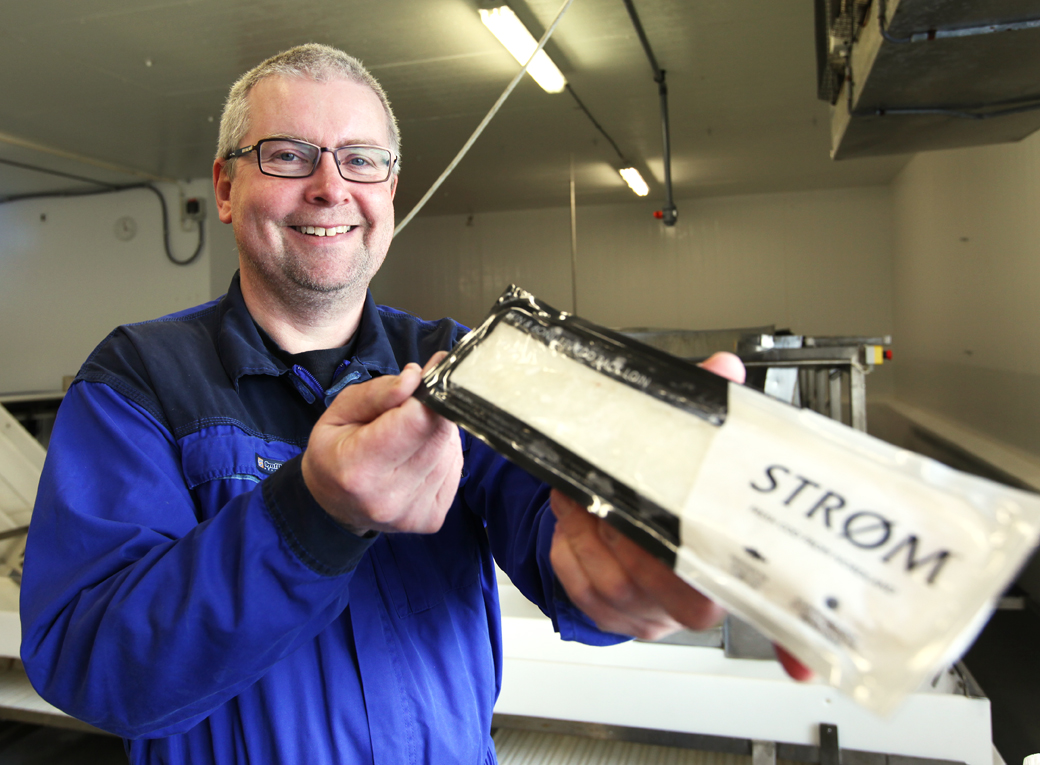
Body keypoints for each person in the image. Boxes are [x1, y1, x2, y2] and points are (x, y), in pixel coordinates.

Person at [20, 43, 798, 765]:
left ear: (389, 192)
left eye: (362, 160)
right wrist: (310, 516)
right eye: (288, 155)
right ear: (226, 187)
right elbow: (94, 663)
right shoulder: (139, 378)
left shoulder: (462, 362)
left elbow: (553, 527)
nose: (331, 186)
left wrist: (620, 556)